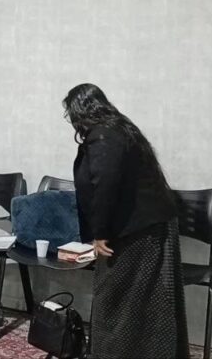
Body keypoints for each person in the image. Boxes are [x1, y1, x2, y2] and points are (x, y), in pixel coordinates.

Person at [64, 83, 189, 358]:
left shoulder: (104, 135)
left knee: (115, 302)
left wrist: (99, 233)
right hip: (146, 227)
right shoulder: (119, 128)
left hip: (137, 231)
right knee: (146, 302)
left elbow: (105, 185)